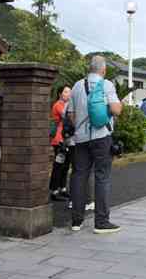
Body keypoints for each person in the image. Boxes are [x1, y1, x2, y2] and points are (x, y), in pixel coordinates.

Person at [67, 55, 122, 233]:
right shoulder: (106, 84)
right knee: (102, 177)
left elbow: (71, 114)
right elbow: (116, 109)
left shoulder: (76, 86)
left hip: (81, 139)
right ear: (103, 70)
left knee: (79, 176)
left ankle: (76, 221)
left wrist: (80, 128)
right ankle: (101, 222)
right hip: (101, 136)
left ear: (89, 68)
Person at [49, 86, 72, 201]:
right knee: (58, 165)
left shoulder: (68, 105)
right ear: (60, 94)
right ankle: (54, 191)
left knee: (65, 165)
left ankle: (62, 188)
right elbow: (67, 116)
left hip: (66, 140)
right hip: (58, 140)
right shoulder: (58, 105)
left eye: (70, 92)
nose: (69, 94)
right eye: (66, 92)